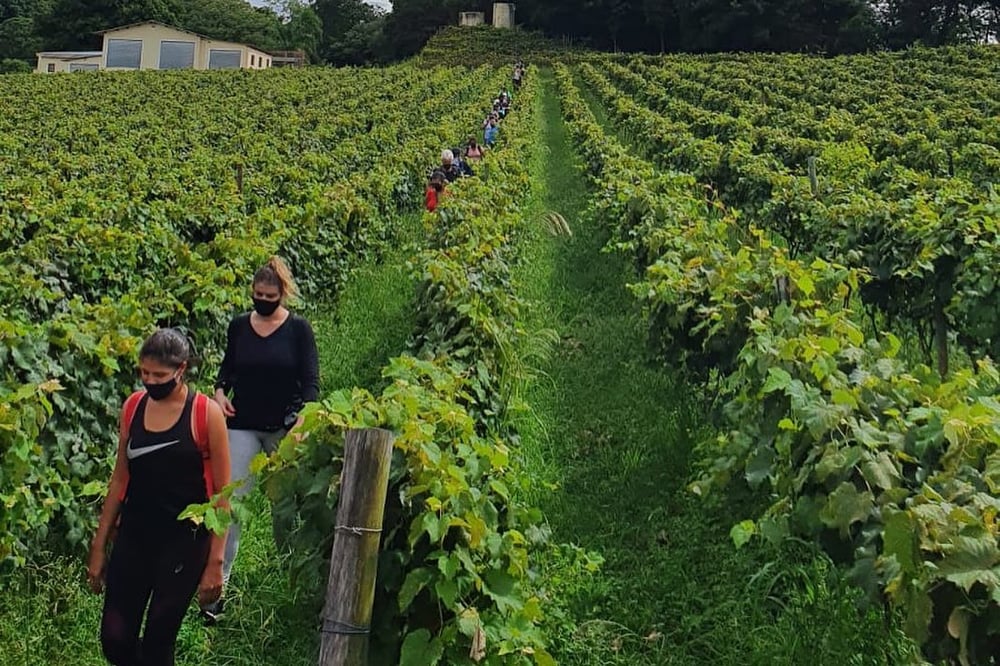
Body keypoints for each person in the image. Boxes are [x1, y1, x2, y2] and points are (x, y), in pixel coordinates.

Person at [88, 328, 231, 666]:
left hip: (184, 543)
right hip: (135, 537)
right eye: (144, 373)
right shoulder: (133, 407)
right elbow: (120, 478)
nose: (150, 381)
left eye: (159, 375)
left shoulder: (205, 414)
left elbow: (222, 495)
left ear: (181, 370)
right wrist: (99, 545)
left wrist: (215, 563)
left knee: (158, 642)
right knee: (114, 638)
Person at [207, 255, 319, 620]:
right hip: (242, 424)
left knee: (284, 509)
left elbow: (311, 384)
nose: (263, 300)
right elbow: (227, 370)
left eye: (270, 295)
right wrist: (221, 393)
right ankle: (215, 591)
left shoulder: (299, 330)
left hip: (284, 427)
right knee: (230, 505)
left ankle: (293, 583)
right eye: (257, 294)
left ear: (282, 295)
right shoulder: (239, 327)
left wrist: (302, 422)